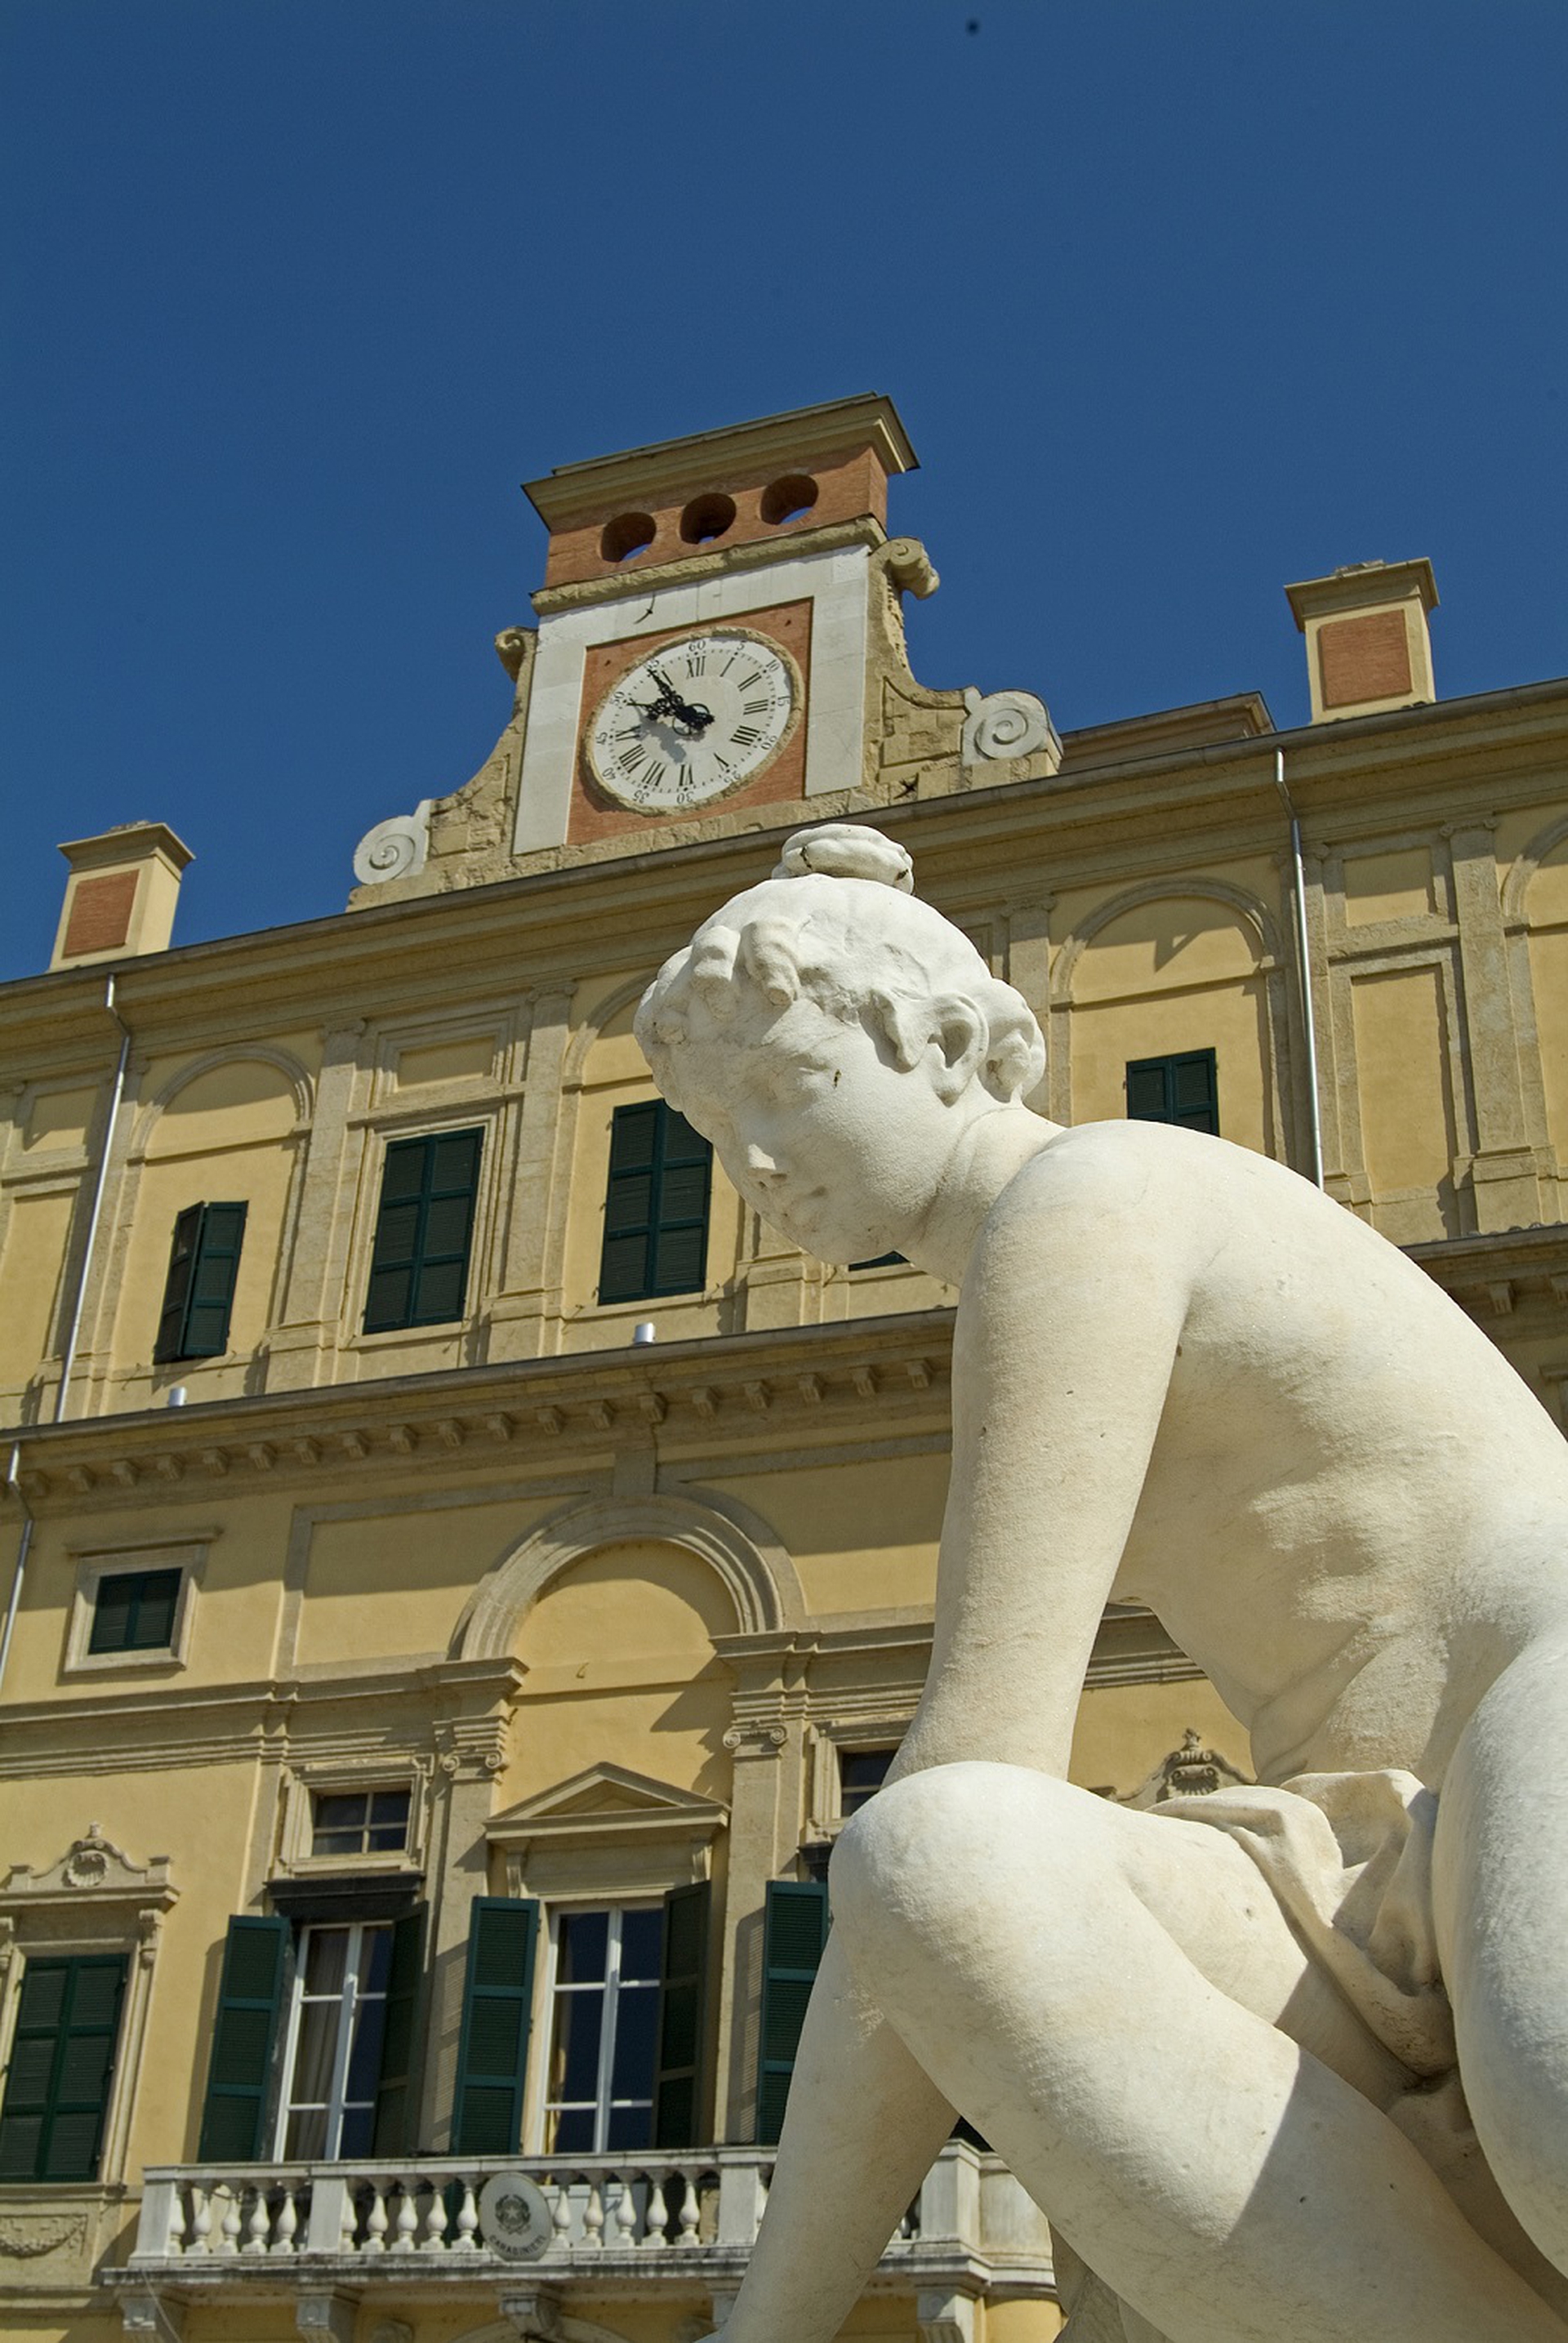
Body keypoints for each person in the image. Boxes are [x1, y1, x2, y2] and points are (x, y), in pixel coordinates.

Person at [635, 822, 1568, 2343]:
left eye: (785, 1092)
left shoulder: (1089, 1202)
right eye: (710, 1124)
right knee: (941, 1874)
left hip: (1538, 1711)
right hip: (1373, 1855)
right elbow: (935, 1886)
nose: (748, 1161)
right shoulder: (1024, 1260)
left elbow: (972, 1753)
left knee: (1560, 2126)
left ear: (941, 1042)